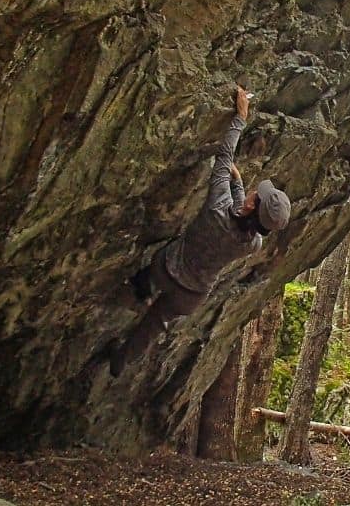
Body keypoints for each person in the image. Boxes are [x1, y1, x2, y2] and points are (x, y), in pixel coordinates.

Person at [111, 85, 291, 376]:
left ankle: (141, 287)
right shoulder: (252, 243)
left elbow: (224, 155)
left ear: (252, 205)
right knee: (154, 325)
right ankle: (122, 360)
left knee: (155, 264)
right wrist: (239, 184)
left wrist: (241, 117)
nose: (256, 189)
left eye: (257, 193)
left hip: (166, 268)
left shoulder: (217, 206)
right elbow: (240, 215)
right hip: (191, 296)